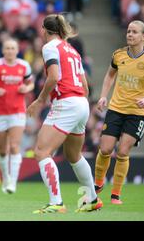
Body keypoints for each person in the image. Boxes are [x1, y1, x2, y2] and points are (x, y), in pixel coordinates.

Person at [27, 14, 102, 214]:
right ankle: (92, 199)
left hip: (67, 102)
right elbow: (85, 84)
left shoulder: (50, 47)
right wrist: (80, 103)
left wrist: (40, 100)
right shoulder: (72, 50)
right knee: (73, 154)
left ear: (44, 30)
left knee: (42, 151)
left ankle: (56, 202)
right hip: (81, 102)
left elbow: (53, 77)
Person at [95, 20, 144, 204]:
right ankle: (98, 184)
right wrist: (103, 96)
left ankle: (115, 194)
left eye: (134, 32)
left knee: (123, 152)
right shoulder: (118, 54)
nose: (130, 34)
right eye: (128, 31)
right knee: (105, 148)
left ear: (143, 36)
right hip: (116, 108)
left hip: (138, 112)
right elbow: (110, 75)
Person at [0, 39, 34, 194]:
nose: (10, 51)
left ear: (17, 50)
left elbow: (31, 83)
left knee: (14, 146)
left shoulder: (24, 66)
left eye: (12, 48)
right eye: (7, 48)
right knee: (2, 150)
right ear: (3, 50)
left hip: (18, 111)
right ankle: (6, 178)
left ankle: (12, 183)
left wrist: (26, 88)